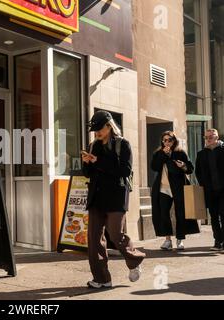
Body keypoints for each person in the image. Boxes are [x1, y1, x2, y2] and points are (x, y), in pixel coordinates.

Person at [82, 110, 145, 289]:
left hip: (116, 196)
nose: (96, 133)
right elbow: (88, 174)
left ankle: (135, 260)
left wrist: (97, 162)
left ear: (109, 126)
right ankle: (102, 279)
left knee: (116, 234)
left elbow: (124, 171)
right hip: (96, 196)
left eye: (99, 129)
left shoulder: (123, 144)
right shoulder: (93, 145)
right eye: (94, 130)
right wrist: (87, 162)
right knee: (94, 240)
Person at [151, 131, 200, 251]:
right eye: (165, 140)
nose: (167, 142)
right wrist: (163, 154)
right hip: (163, 188)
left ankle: (180, 239)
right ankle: (167, 240)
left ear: (174, 141)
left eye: (169, 140)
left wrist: (183, 166)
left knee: (180, 214)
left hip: (178, 188)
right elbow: (154, 167)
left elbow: (190, 169)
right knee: (163, 214)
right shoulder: (158, 153)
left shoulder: (180, 153)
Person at [195, 129, 224, 251]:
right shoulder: (201, 154)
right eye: (206, 137)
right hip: (210, 190)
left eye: (210, 137)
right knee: (213, 217)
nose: (208, 140)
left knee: (223, 214)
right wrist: (204, 185)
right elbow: (198, 172)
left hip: (223, 190)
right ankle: (218, 241)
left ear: (216, 137)